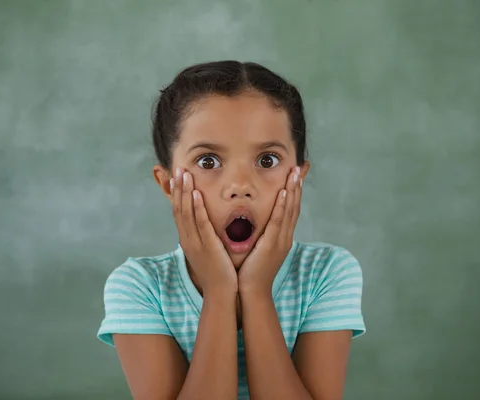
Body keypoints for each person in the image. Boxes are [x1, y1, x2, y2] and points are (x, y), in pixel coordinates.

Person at [97, 60, 366, 399]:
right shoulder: (139, 286)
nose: (240, 186)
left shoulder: (327, 272)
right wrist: (220, 291)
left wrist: (255, 289)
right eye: (208, 161)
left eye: (267, 160)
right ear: (167, 184)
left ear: (298, 176)